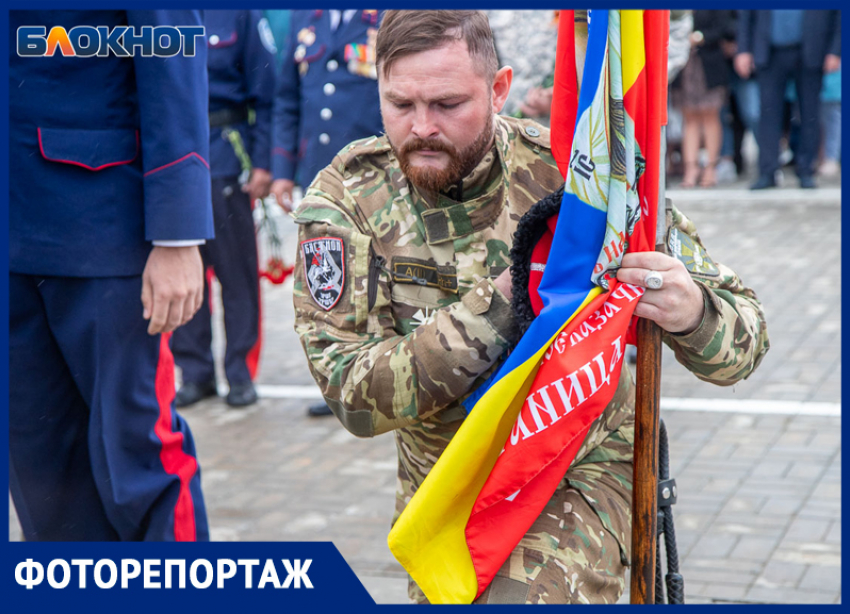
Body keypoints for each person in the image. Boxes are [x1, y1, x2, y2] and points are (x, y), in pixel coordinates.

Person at [293, 10, 769, 603]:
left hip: (578, 464)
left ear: (499, 90)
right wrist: (516, 293)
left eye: (447, 104)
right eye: (400, 105)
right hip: (449, 489)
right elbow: (352, 396)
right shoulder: (350, 198)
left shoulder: (581, 177)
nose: (421, 128)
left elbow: (743, 344)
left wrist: (692, 310)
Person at [9, 10, 213, 540]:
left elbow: (170, 49)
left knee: (141, 462)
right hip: (14, 230)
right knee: (42, 473)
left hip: (103, 226)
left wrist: (177, 233)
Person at [271, 9, 385, 417]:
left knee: (380, 279)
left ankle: (382, 378)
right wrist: (282, 170)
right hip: (321, 174)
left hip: (377, 174)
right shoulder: (307, 14)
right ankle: (336, 379)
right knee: (328, 278)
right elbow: (287, 98)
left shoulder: (388, 14)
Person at [172, 10, 276, 409]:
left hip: (226, 157)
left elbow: (266, 93)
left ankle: (240, 372)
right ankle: (195, 373)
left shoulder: (240, 12)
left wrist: (264, 162)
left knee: (237, 274)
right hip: (175, 161)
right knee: (183, 268)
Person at [735, 10, 841, 190]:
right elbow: (746, 14)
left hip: (811, 49)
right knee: (768, 114)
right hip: (770, 51)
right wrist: (743, 49)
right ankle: (768, 172)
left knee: (810, 114)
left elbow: (838, 14)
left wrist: (835, 51)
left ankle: (806, 170)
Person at [671, 10, 736, 188]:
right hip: (683, 64)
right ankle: (690, 168)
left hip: (708, 63)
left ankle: (710, 168)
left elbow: (725, 27)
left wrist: (699, 36)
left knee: (710, 116)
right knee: (689, 118)